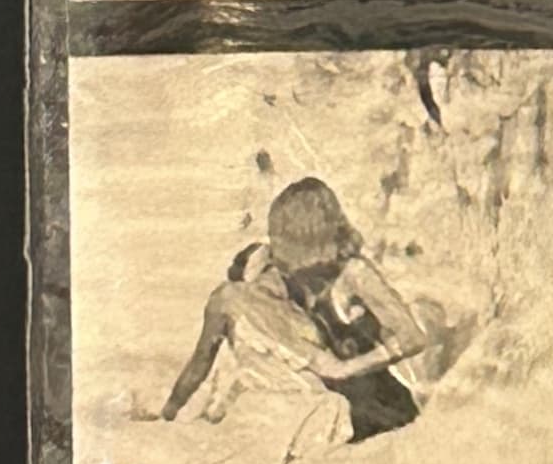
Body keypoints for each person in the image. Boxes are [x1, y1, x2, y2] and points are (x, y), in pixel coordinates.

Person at [163, 177, 428, 447]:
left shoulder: (355, 274)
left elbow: (413, 338)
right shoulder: (281, 273)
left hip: (377, 407)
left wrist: (350, 368)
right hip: (325, 406)